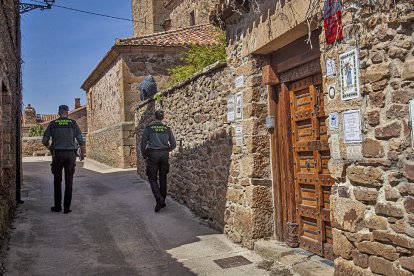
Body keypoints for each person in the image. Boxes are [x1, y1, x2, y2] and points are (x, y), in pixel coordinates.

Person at [42, 105, 85, 214]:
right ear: (67, 112)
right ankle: (66, 208)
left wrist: (50, 147)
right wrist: (82, 153)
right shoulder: (73, 124)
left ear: (59, 113)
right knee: (69, 181)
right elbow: (80, 139)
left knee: (57, 181)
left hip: (57, 155)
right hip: (70, 155)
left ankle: (57, 206)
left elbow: (44, 140)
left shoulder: (53, 124)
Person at [140, 110, 176, 212]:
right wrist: (166, 150)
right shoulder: (167, 129)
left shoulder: (149, 129)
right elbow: (173, 144)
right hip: (164, 155)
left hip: (153, 155)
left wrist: (145, 156)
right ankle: (162, 200)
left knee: (152, 179)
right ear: (163, 118)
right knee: (163, 177)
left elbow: (143, 145)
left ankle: (159, 199)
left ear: (154, 117)